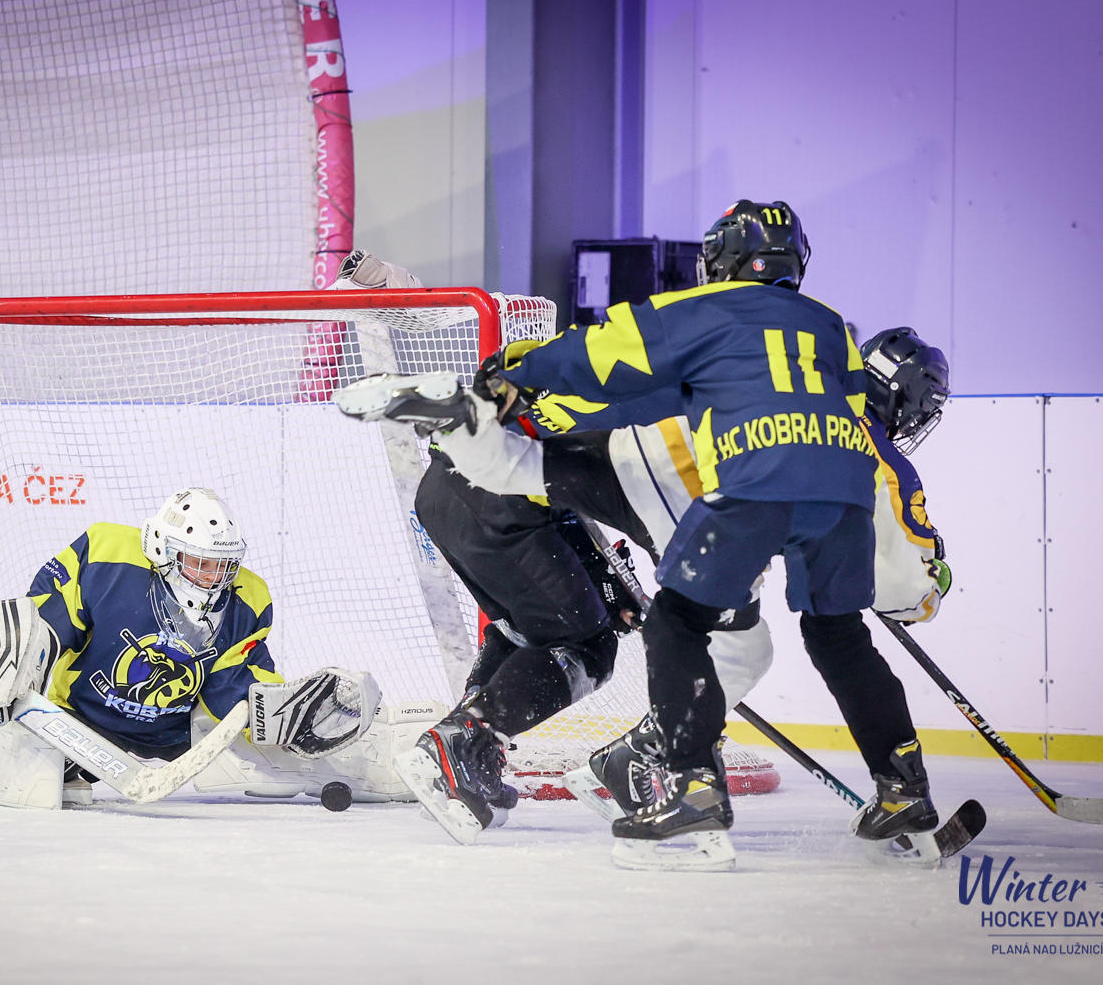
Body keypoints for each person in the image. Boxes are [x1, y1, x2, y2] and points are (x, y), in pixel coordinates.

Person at [340, 200, 944, 869]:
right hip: (549, 486)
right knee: (706, 639)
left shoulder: (705, 332)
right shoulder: (827, 338)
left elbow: (600, 356)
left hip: (507, 486)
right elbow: (903, 583)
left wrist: (514, 371)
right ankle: (637, 763)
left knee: (594, 625)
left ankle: (535, 752)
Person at [0, 486, 432, 808]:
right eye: (199, 562)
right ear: (163, 548)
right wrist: (9, 675)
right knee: (21, 775)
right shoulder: (105, 555)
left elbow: (236, 690)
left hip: (181, 732)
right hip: (84, 722)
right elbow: (42, 617)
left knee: (281, 760)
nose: (212, 577)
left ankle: (397, 754)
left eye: (222, 565)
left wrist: (284, 713)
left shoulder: (247, 598)